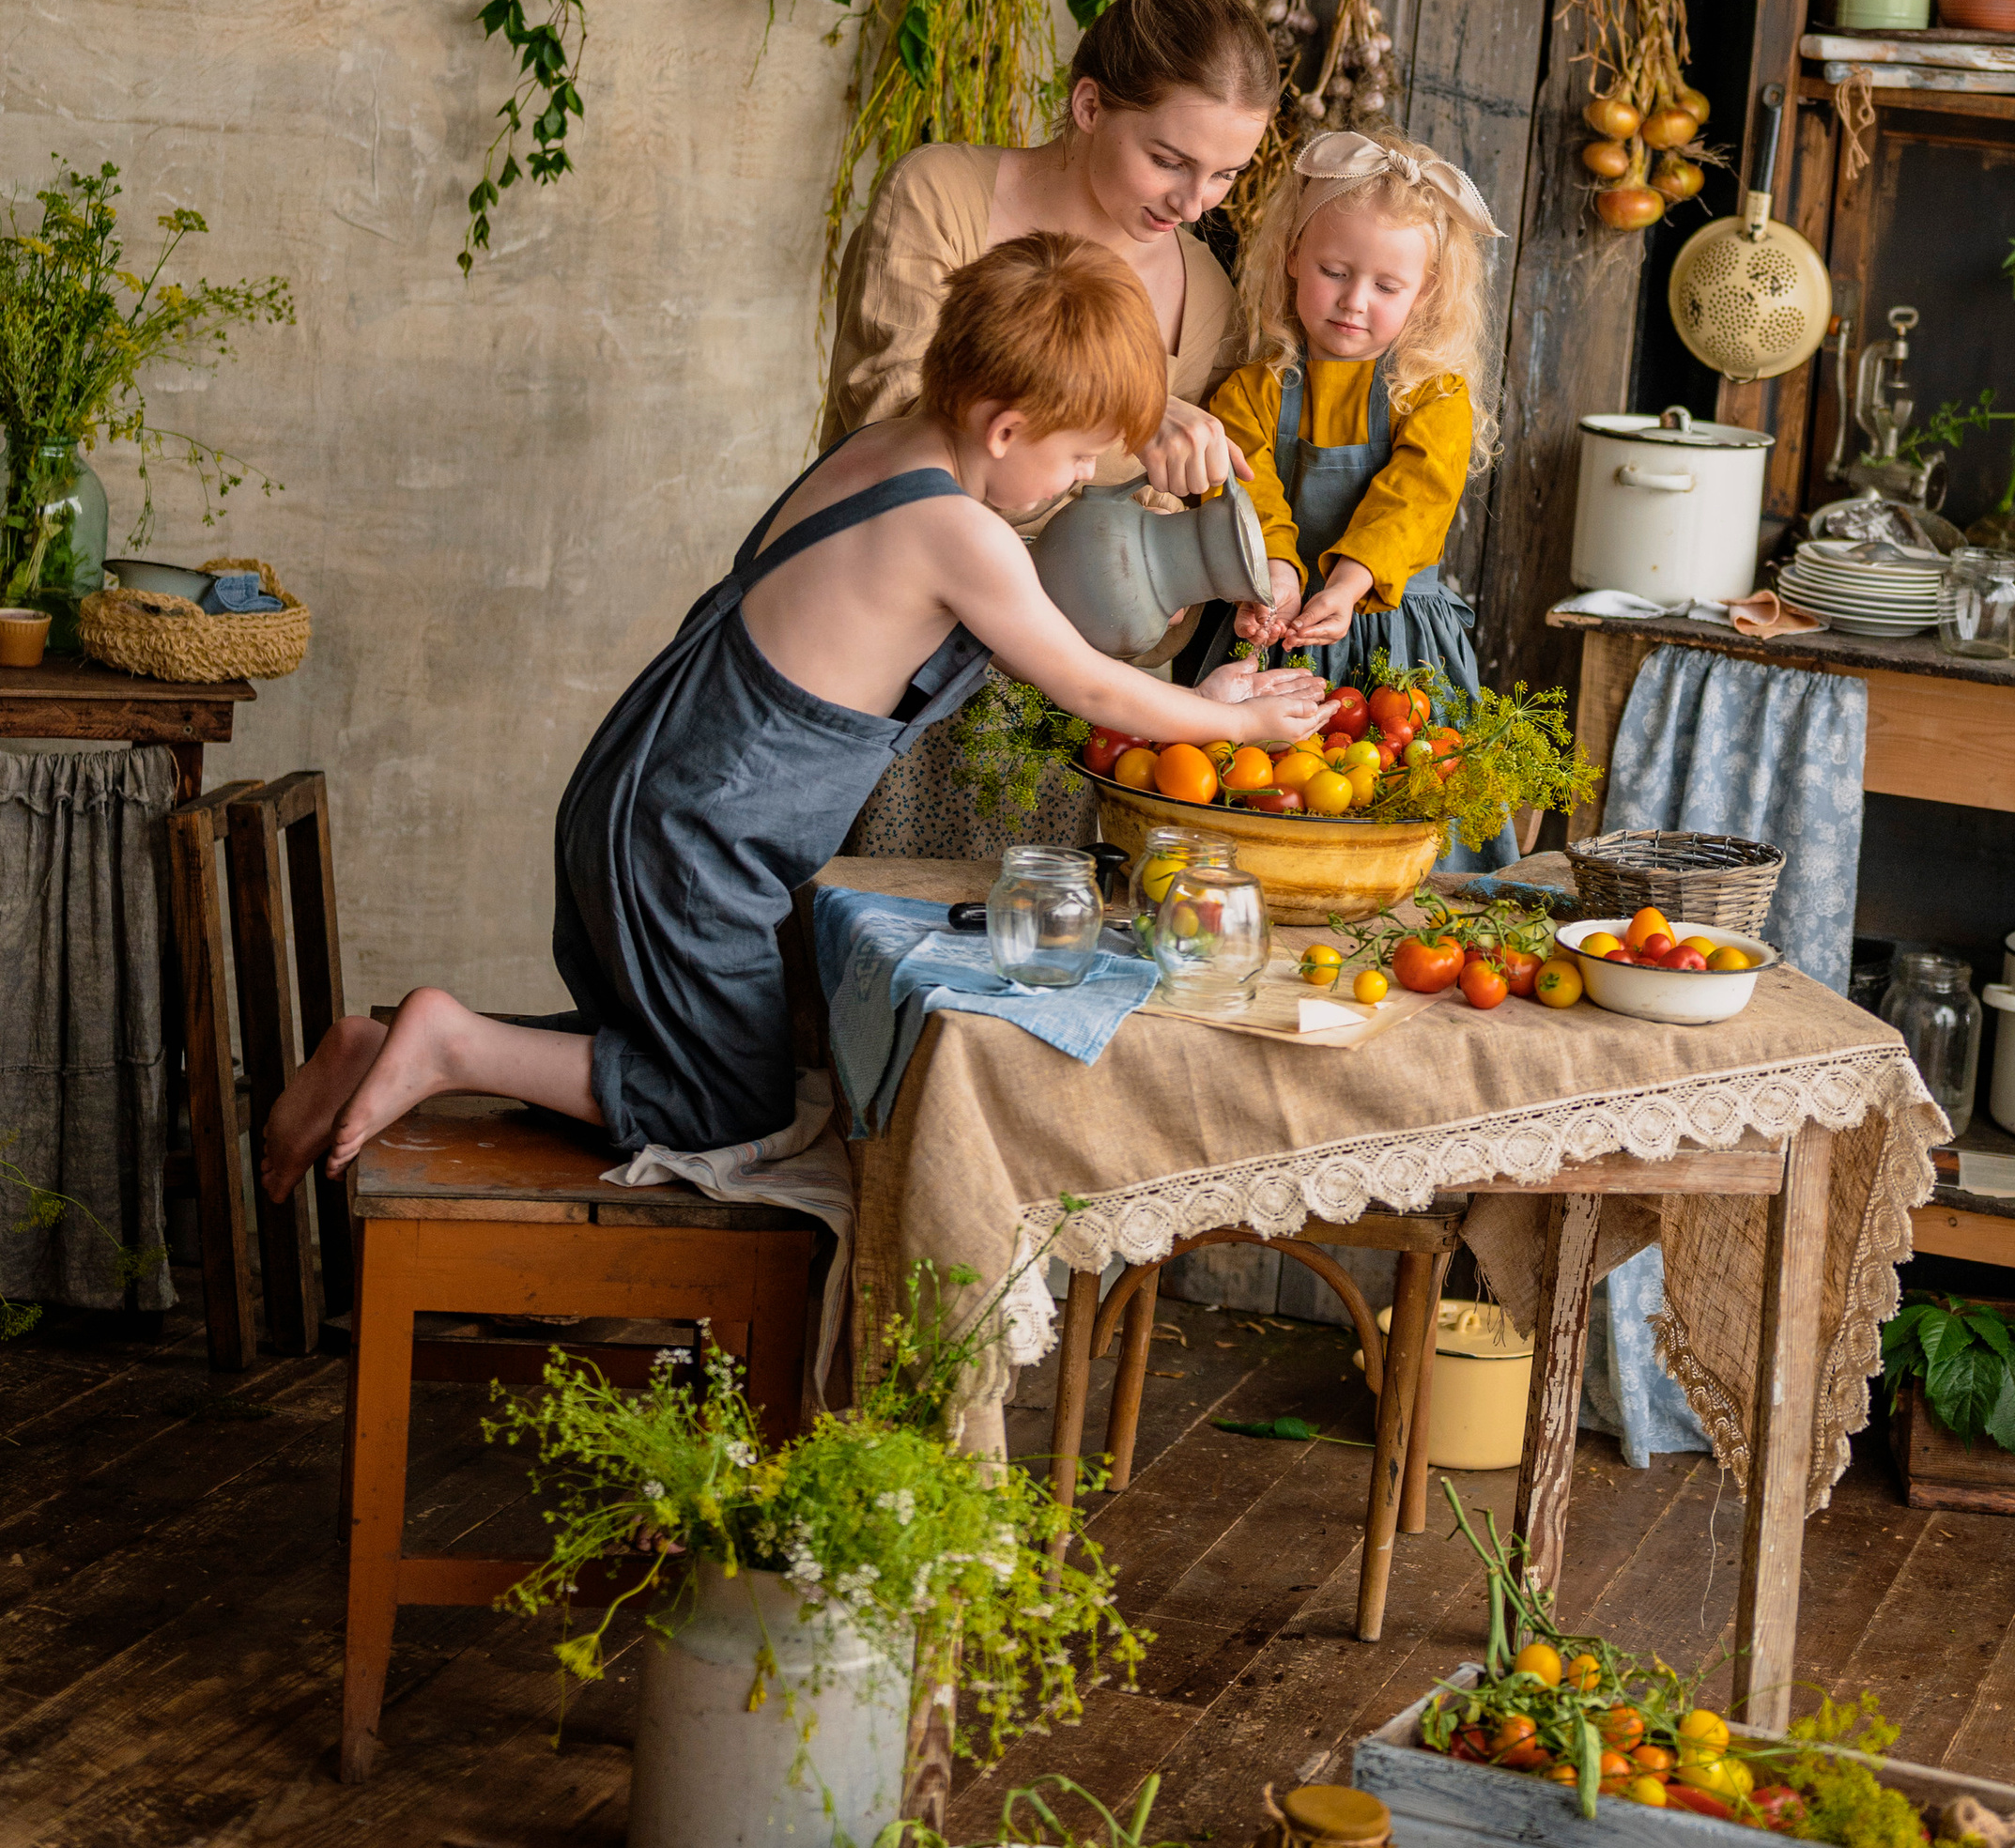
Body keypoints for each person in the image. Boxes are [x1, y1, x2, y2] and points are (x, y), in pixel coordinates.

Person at [259, 238, 1323, 1194]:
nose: (1086, 478)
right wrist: (1233, 724)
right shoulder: (963, 535)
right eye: (1081, 456)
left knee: (672, 1044)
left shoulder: (889, 446)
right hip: (700, 834)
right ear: (1006, 427)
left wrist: (1197, 692)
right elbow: (1086, 683)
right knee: (730, 1106)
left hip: (645, 785)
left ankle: (385, 1042)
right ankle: (446, 1047)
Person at [823, 0, 1282, 857]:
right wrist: (1121, 414)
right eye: (1169, 159)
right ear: (1087, 104)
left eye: (1225, 173)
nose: (1192, 203)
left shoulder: (1208, 293)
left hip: (1091, 708)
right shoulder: (941, 198)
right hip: (901, 668)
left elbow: (1168, 549)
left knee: (1048, 954)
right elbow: (888, 434)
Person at [1188, 125, 1504, 719]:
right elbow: (1241, 493)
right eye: (1333, 271)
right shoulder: (1250, 393)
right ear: (1292, 257)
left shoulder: (1433, 396)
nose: (1354, 300)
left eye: (1387, 286)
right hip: (1275, 628)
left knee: (1394, 787)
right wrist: (1274, 571)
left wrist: (1349, 584)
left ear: (1426, 292)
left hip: (1396, 639)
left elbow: (1413, 503)